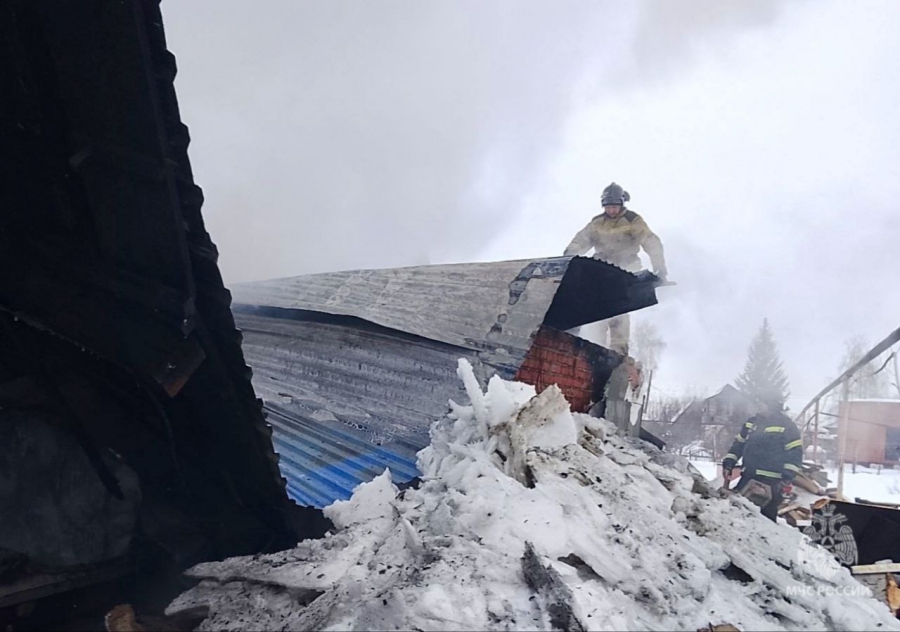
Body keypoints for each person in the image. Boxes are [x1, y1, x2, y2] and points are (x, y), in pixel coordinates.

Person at [563, 182, 667, 354]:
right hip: (600, 271)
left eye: (614, 207)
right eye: (608, 207)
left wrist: (660, 268)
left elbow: (651, 242)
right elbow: (580, 241)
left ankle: (619, 353)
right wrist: (568, 256)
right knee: (597, 312)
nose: (611, 210)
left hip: (625, 271)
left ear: (622, 204)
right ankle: (594, 349)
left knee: (619, 312)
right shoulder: (597, 223)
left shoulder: (633, 220)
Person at [722, 398, 803, 522]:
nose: (758, 404)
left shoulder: (786, 425)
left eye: (762, 402)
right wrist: (728, 463)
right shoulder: (751, 423)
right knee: (740, 517)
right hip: (748, 478)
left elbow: (795, 453)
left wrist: (787, 478)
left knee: (766, 522)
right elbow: (738, 445)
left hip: (772, 483)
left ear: (772, 404)